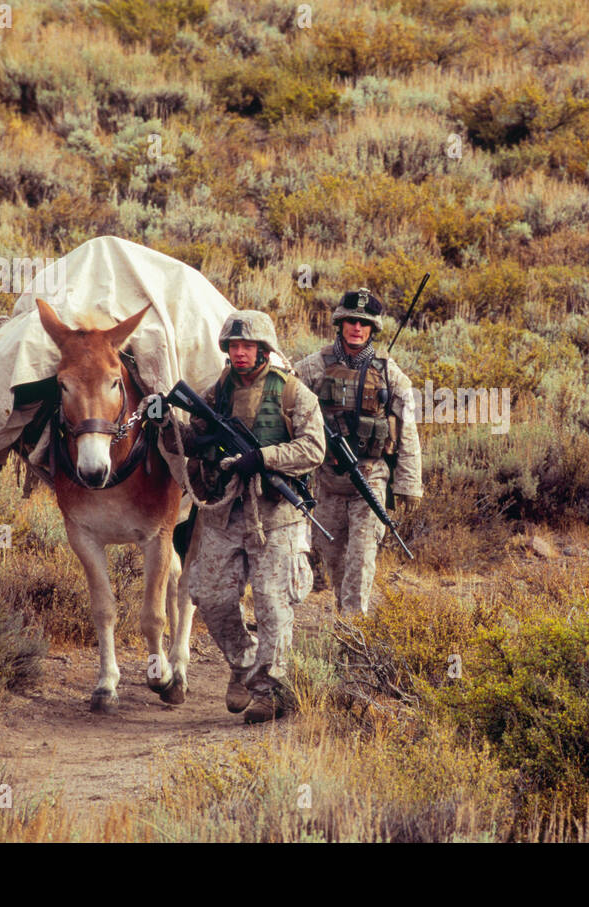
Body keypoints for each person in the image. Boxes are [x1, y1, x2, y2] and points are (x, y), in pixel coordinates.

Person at [149, 310, 325, 722]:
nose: (241, 353)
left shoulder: (292, 394)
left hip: (276, 515)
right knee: (208, 594)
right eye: (234, 346)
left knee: (271, 602)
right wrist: (164, 424)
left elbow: (313, 449)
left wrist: (262, 457)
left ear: (264, 350)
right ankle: (245, 666)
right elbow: (190, 440)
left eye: (248, 346)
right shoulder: (217, 393)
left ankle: (270, 691)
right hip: (225, 510)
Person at [294, 289, 422, 618]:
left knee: (361, 560)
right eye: (351, 321)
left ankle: (354, 632)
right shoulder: (312, 368)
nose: (357, 328)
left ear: (372, 329)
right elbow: (287, 405)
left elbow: (407, 428)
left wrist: (408, 483)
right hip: (330, 483)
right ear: (340, 323)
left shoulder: (389, 373)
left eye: (364, 324)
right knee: (334, 559)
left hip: (371, 478)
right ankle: (346, 615)